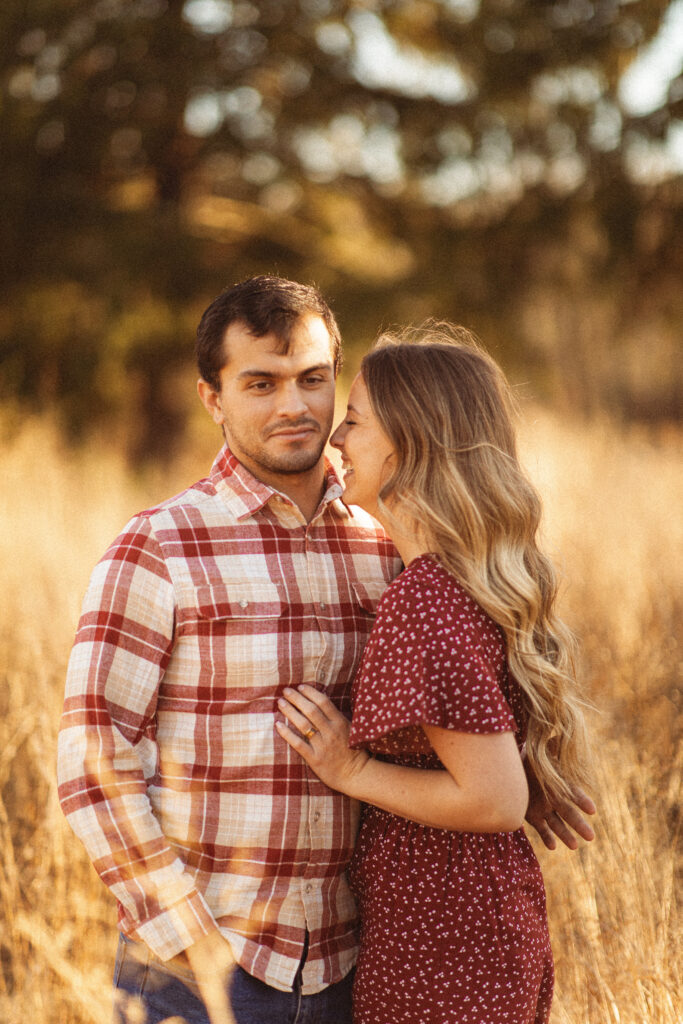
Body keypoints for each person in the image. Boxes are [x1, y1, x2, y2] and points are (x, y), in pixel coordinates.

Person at [58, 282, 593, 1024]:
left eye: (312, 380)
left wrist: (531, 776)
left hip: (358, 957)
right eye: (260, 384)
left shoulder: (391, 545)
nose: (294, 407)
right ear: (213, 399)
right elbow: (92, 764)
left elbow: (448, 718)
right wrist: (189, 943)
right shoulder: (160, 547)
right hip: (210, 961)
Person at [277, 323, 594, 1024]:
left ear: (410, 441)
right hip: (470, 922)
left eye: (353, 423)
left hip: (444, 943)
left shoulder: (423, 598)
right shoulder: (454, 579)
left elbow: (492, 801)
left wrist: (348, 769)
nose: (335, 440)